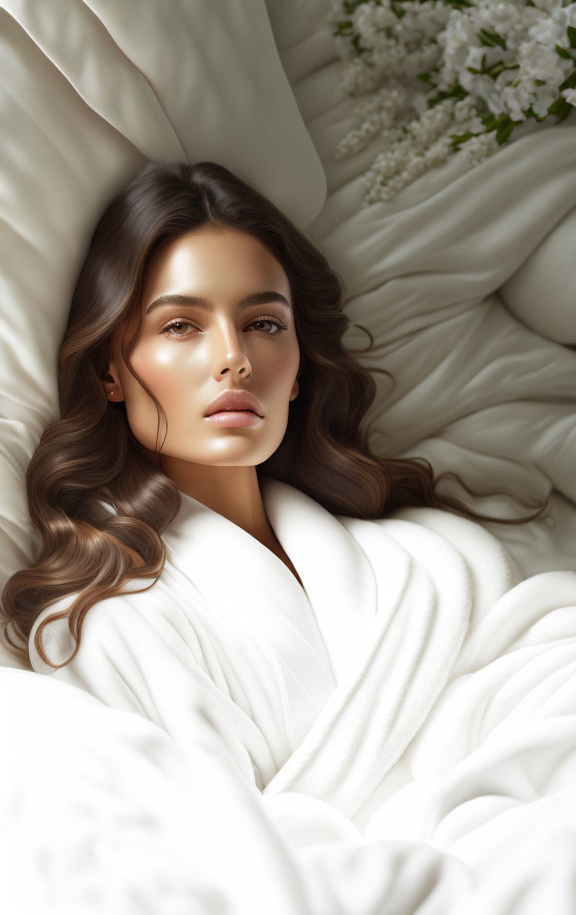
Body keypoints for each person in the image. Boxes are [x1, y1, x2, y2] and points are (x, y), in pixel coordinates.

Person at [3, 160, 571, 912]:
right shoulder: (101, 623)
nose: (234, 357)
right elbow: (187, 854)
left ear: (299, 368)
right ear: (113, 369)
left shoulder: (432, 560)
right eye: (181, 326)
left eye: (264, 323)